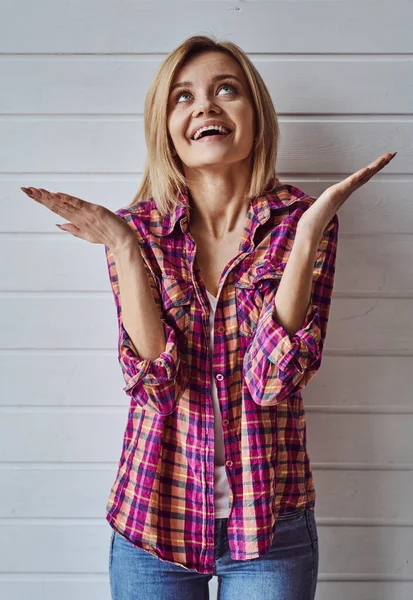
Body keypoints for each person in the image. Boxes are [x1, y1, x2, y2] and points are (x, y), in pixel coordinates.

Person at [21, 34, 396, 600]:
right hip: (154, 521)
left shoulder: (301, 220)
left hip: (269, 524)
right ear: (166, 125)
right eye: (183, 96)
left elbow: (271, 381)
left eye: (227, 89)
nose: (205, 106)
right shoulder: (137, 231)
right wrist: (123, 247)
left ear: (256, 114)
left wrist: (306, 238)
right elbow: (154, 385)